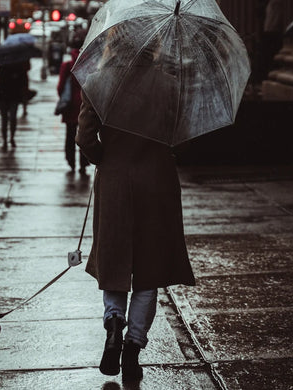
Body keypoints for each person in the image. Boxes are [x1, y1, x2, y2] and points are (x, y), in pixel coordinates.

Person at [76, 97, 196, 381]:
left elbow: (84, 137)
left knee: (115, 260)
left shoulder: (101, 82)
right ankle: (132, 348)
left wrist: (104, 157)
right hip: (157, 181)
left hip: (115, 178)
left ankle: (115, 322)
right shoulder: (167, 84)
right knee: (148, 271)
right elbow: (184, 139)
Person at [57, 32, 89, 174]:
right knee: (85, 134)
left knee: (70, 136)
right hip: (85, 104)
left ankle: (71, 162)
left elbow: (60, 87)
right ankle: (83, 163)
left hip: (70, 106)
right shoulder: (89, 64)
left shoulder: (67, 65)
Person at [0, 61, 28, 150]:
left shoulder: (18, 68)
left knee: (12, 118)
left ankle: (11, 138)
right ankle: (5, 140)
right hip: (3, 97)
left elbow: (23, 81)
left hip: (13, 96)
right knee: (4, 119)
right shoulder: (1, 68)